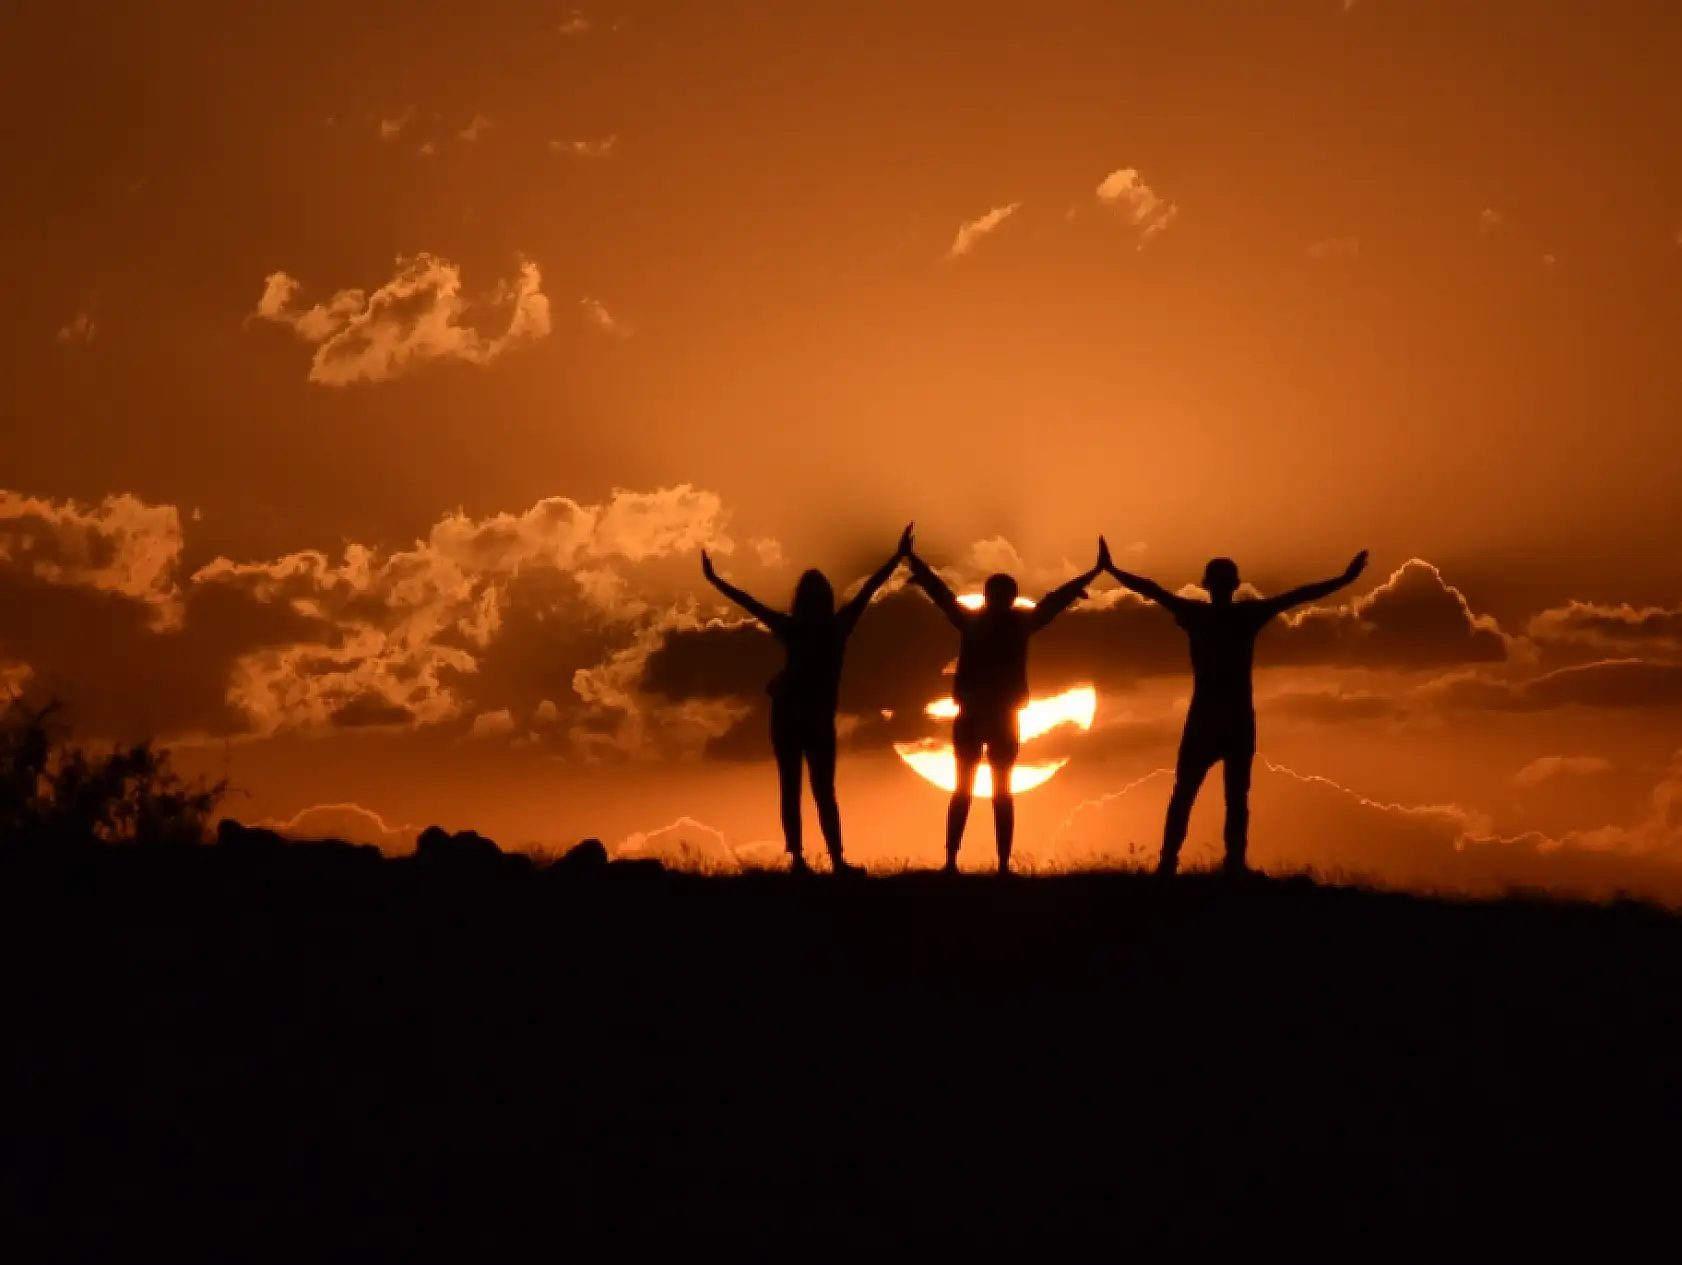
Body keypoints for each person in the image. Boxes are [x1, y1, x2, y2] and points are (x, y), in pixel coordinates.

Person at [1105, 550, 1369, 877]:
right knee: (1227, 797)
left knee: (1191, 794)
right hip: (1233, 719)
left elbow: (1152, 590)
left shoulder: (1199, 615)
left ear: (1207, 585)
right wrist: (1344, 580)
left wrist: (1113, 570)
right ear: (1234, 585)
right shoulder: (1243, 615)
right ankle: (1224, 864)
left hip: (1209, 719)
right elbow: (1297, 595)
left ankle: (1174, 863)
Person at [700, 524, 914, 875]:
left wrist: (715, 580)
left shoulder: (801, 627)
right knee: (816, 791)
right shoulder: (833, 627)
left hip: (797, 716)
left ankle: (809, 860)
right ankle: (823, 860)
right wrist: (898, 556)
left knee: (801, 789)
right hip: (805, 717)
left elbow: (749, 603)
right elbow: (868, 590)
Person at [905, 538, 1111, 874]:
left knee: (987, 792)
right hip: (979, 716)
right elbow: (1050, 604)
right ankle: (964, 863)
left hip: (991, 717)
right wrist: (915, 563)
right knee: (976, 792)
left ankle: (981, 864)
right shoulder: (1000, 624)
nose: (1000, 601)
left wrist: (1087, 577)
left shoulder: (991, 624)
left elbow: (1051, 603)